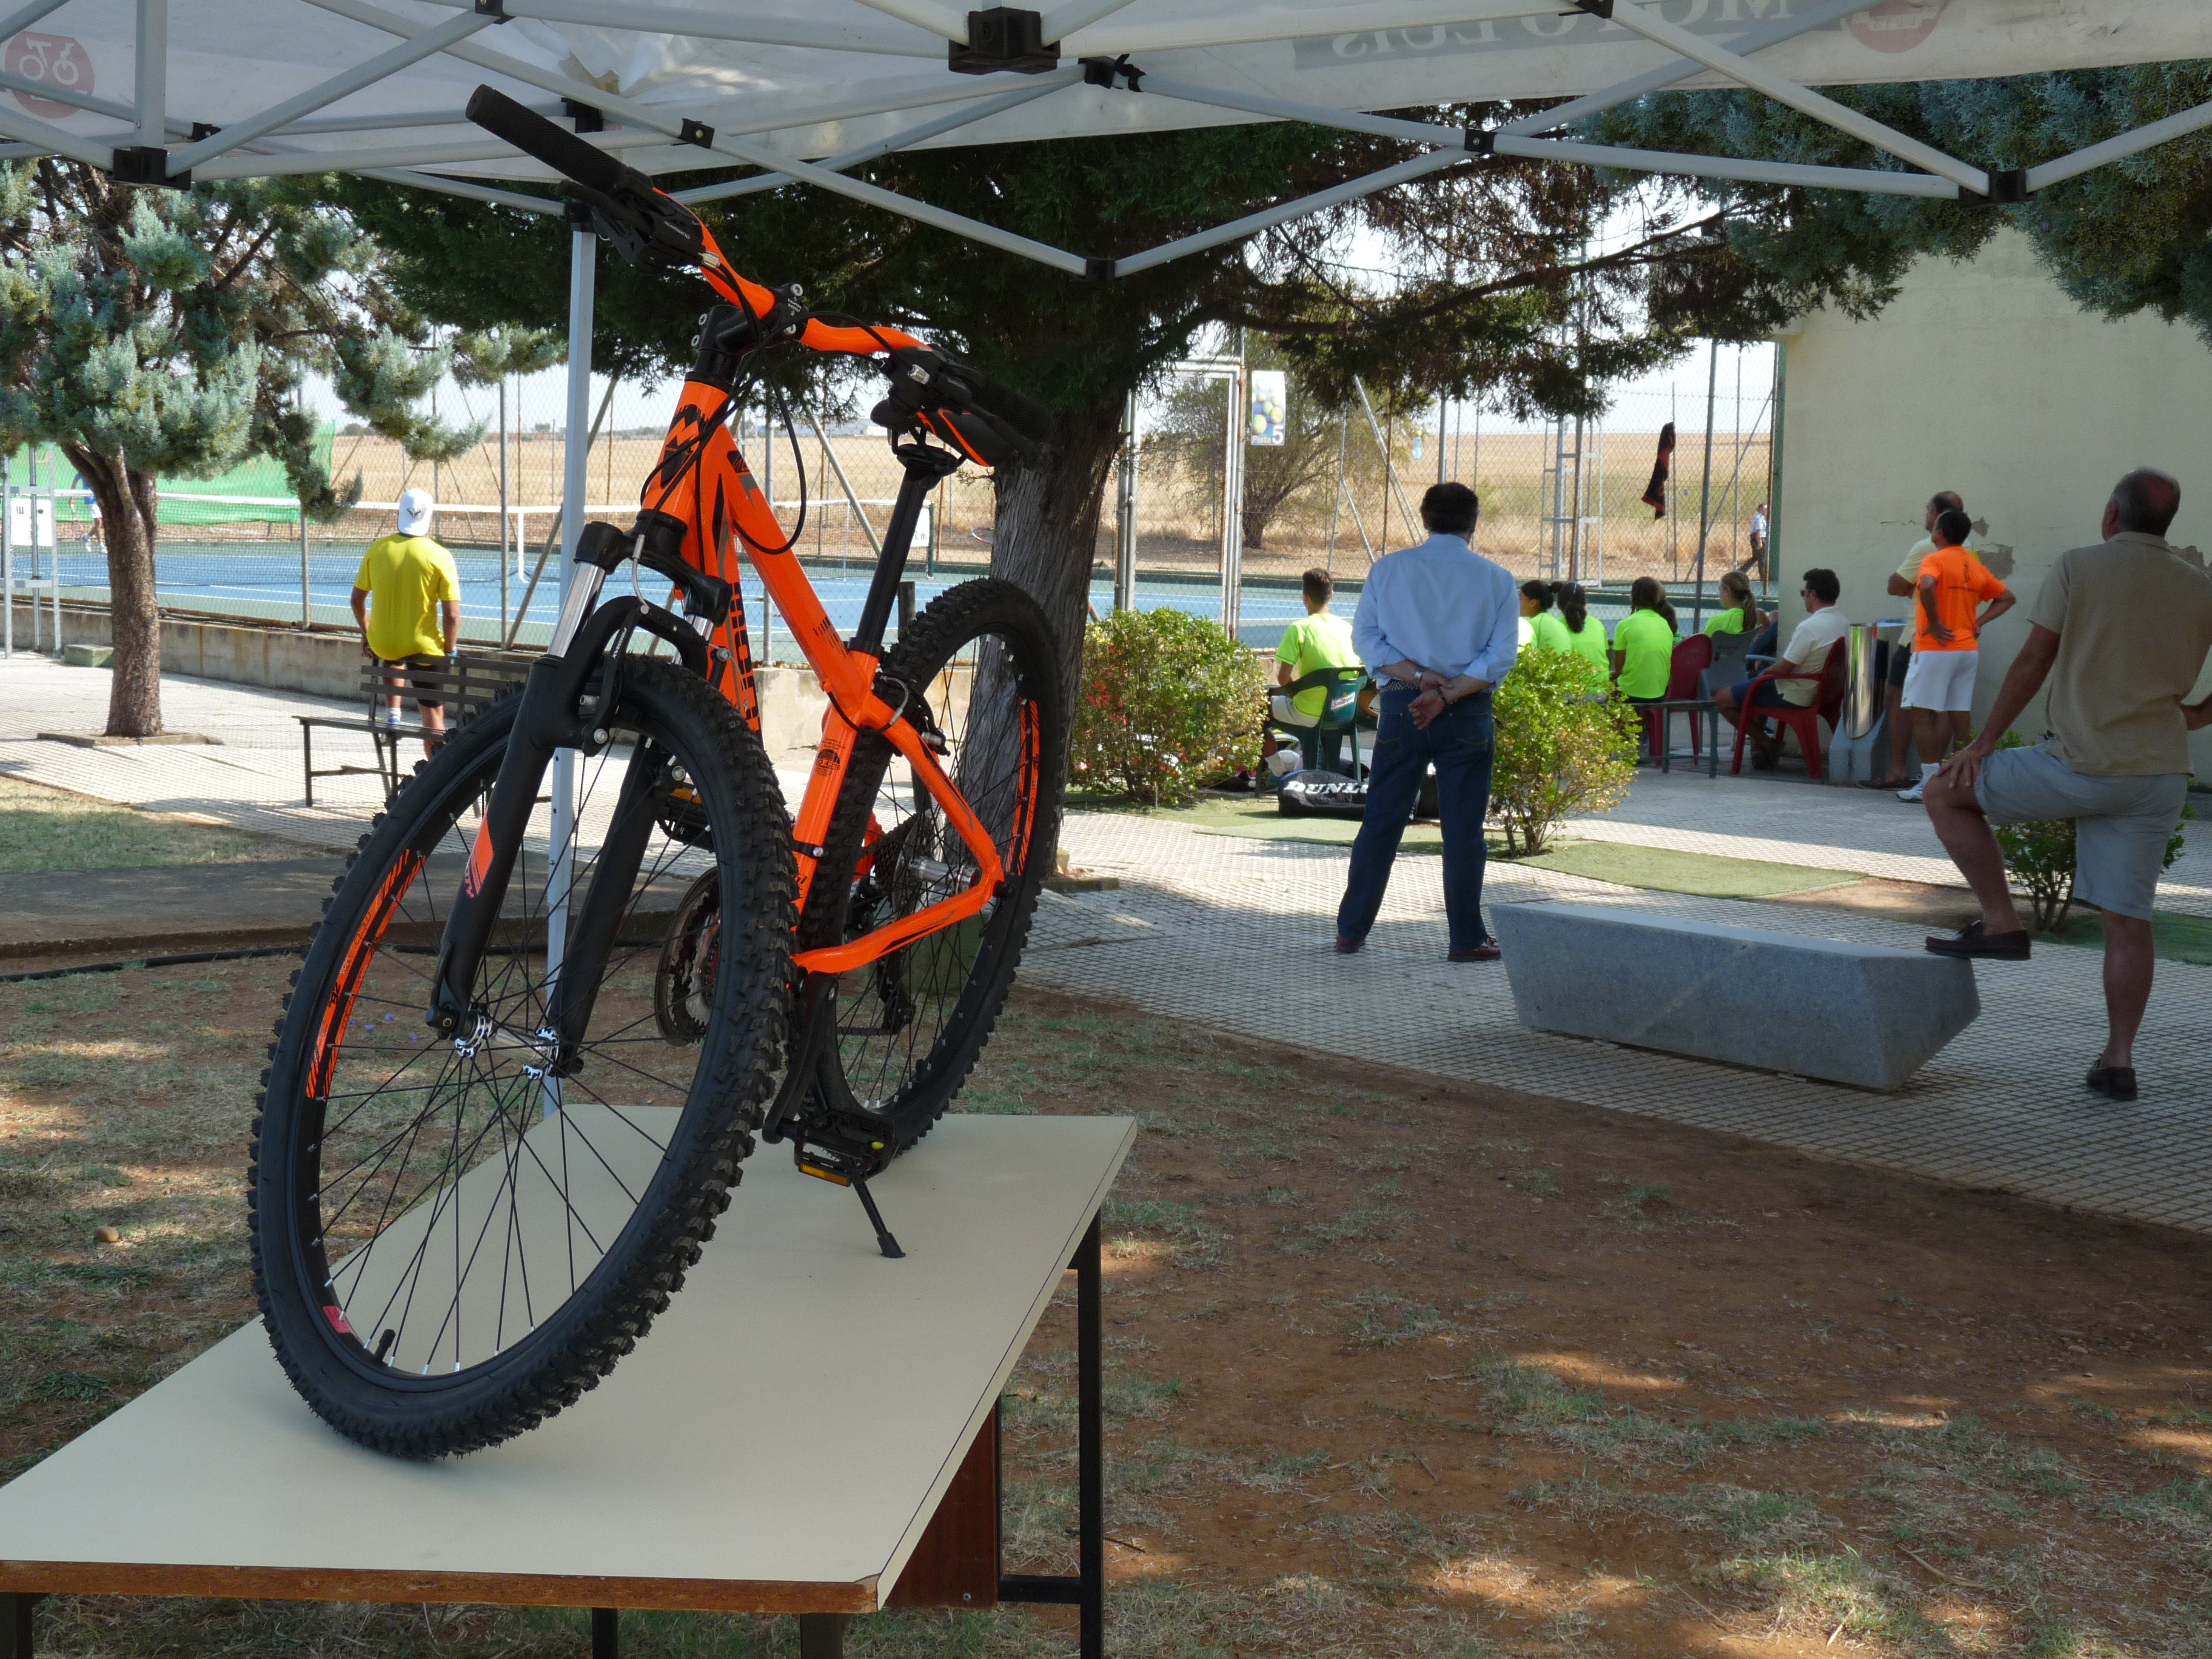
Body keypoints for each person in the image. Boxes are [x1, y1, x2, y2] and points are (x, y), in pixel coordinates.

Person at [1923, 469, 2212, 1102]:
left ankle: (2001, 923)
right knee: (2129, 923)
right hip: (2158, 773)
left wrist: (1983, 743)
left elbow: (2035, 659)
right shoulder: (2201, 584)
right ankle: (2118, 1061)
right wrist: (2198, 714)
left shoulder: (2078, 565)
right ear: (2167, 522)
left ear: (2112, 515)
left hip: (2080, 763)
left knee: (1943, 790)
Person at [1336, 483, 1518, 963]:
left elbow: (1367, 639)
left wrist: (1419, 679)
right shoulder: (1498, 579)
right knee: (1464, 831)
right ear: (1473, 523)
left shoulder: (1388, 569)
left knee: (1382, 821)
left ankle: (1351, 930)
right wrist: (1449, 693)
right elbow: (1501, 656)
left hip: (1403, 704)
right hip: (1468, 709)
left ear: (1425, 519)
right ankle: (1466, 938)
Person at [1894, 508, 2013, 803]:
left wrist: (1934, 622)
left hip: (1935, 648)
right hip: (1967, 649)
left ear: (1940, 533)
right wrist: (1979, 623)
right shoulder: (1973, 563)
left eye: (1934, 527)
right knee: (1960, 715)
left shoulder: (1934, 560)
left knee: (1921, 712)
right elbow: (2007, 598)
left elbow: (1926, 584)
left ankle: (1929, 782)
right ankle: (1969, 780)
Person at [1865, 489, 1968, 789]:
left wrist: (1913, 589)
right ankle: (1940, 775)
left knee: (1903, 701)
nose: (1926, 516)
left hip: (1920, 637)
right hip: (1959, 638)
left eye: (1928, 510)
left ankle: (1904, 771)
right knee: (1946, 707)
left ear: (1937, 516)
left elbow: (1895, 585)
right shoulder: (1968, 549)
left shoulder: (1928, 546)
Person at [352, 486, 461, 754]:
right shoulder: (440, 555)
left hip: (384, 644)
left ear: (399, 514)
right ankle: (435, 769)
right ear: (429, 517)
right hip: (424, 647)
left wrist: (368, 635)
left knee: (394, 652)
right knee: (433, 714)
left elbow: (356, 601)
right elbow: (452, 615)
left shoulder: (378, 549)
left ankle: (393, 716)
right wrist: (450, 650)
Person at [1714, 568, 1849, 768]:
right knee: (1757, 690)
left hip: (1796, 694)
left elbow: (1783, 669)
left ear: (1813, 594)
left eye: (1803, 593)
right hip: (1824, 693)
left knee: (1722, 699)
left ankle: (1768, 743)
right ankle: (1761, 750)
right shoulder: (1843, 622)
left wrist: (1762, 676)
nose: (1803, 598)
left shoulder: (1810, 627)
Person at [1270, 566, 1361, 773]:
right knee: (1307, 721)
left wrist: (1293, 693)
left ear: (1305, 596)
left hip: (1309, 714)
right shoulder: (1348, 630)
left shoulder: (1299, 629)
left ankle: (1277, 770)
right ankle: (1304, 768)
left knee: (1258, 709)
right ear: (1332, 594)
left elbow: (1283, 679)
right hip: (1344, 713)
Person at [1610, 575, 1678, 705]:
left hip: (1630, 693)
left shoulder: (1624, 625)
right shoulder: (1665, 624)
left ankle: (1618, 718)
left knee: (1610, 690)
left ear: (1633, 598)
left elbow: (1619, 670)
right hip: (1660, 693)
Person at [1550, 581, 1609, 672]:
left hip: (1570, 680)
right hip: (1602, 680)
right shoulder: (1598, 624)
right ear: (1585, 603)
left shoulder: (1554, 626)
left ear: (1558, 605)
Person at [1703, 570, 1763, 638]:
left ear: (1727, 591)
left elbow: (1703, 644)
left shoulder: (1716, 621)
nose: (1719, 594)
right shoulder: (1751, 618)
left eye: (1720, 589)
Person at [1735, 501, 1769, 580]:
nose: (1767, 511)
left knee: (1756, 558)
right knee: (1762, 559)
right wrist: (1760, 543)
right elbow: (1758, 531)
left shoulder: (1760, 517)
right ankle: (1763, 578)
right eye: (1765, 509)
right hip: (1759, 538)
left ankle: (1740, 572)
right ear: (1760, 509)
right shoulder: (1759, 518)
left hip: (1757, 538)